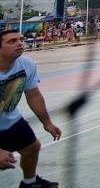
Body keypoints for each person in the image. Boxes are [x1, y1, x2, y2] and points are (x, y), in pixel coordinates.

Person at [0, 29, 61, 188]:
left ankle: (30, 183)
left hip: (11, 120)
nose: (20, 43)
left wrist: (47, 123)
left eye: (20, 39)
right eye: (12, 41)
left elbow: (33, 96)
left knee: (32, 147)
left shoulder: (26, 64)